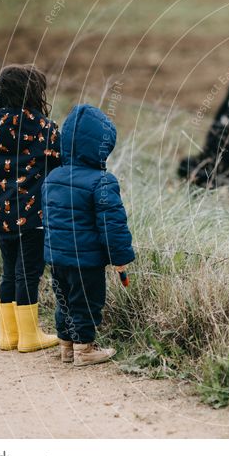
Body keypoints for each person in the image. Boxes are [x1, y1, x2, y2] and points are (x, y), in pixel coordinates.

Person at [0, 64, 61, 352]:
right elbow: (60, 167)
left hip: (3, 217)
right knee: (28, 273)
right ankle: (30, 336)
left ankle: (9, 336)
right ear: (33, 94)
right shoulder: (46, 130)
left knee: (9, 272)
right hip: (35, 218)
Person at [42, 104, 135, 367]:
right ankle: (85, 349)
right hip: (87, 260)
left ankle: (66, 347)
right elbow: (112, 225)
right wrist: (120, 257)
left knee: (64, 300)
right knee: (86, 302)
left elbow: (49, 217)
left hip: (57, 257)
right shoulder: (102, 181)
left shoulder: (53, 177)